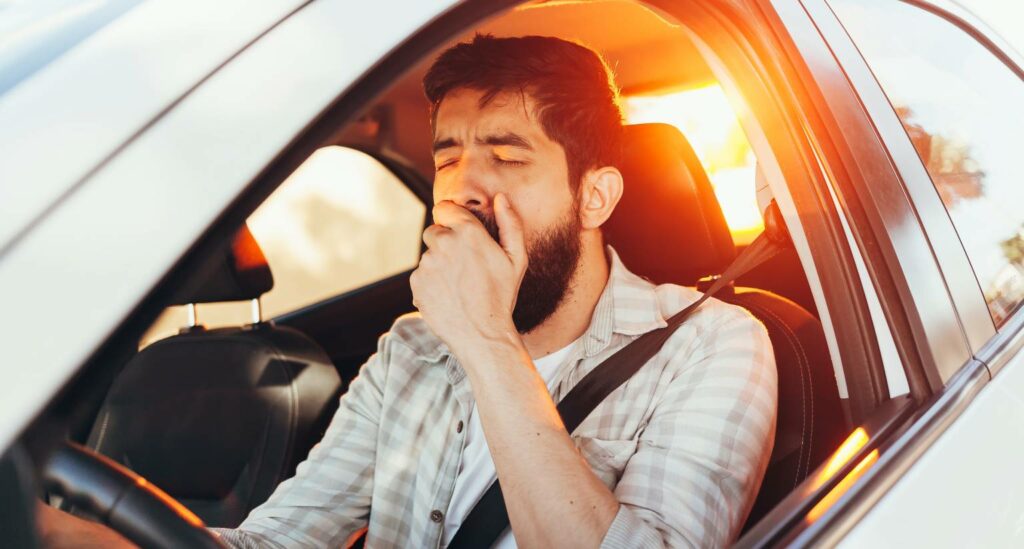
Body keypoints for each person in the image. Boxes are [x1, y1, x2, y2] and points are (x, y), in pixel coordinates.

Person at [36, 34, 777, 548]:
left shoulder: (714, 344)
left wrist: (487, 341)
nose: (463, 189)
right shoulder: (413, 349)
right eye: (449, 156)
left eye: (507, 155)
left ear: (595, 197)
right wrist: (55, 531)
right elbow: (278, 539)